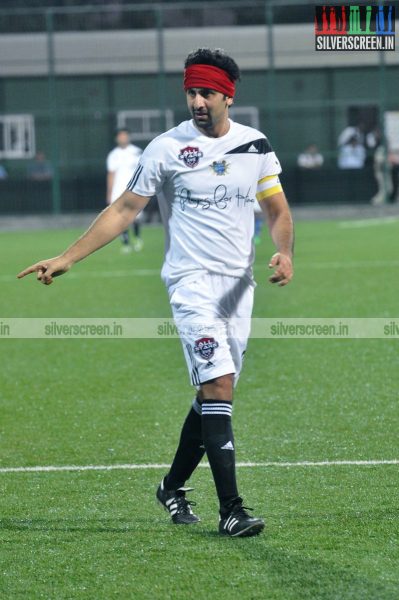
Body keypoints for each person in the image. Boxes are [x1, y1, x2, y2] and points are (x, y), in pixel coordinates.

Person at [17, 48, 294, 538]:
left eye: (206, 92)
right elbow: (125, 209)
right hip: (191, 283)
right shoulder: (167, 148)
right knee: (219, 385)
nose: (197, 101)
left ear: (228, 95)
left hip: (238, 287)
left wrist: (285, 251)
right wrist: (67, 258)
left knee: (214, 392)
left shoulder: (255, 146)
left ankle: (171, 485)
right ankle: (231, 508)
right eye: (191, 92)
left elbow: (275, 209)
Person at [107, 128, 143, 252]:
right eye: (120, 136)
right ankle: (126, 243)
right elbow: (111, 174)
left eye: (124, 136)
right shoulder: (113, 154)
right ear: (117, 138)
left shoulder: (137, 152)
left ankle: (137, 238)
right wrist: (109, 193)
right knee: (121, 218)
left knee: (136, 216)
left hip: (134, 190)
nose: (122, 138)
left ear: (128, 137)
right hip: (118, 191)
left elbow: (142, 172)